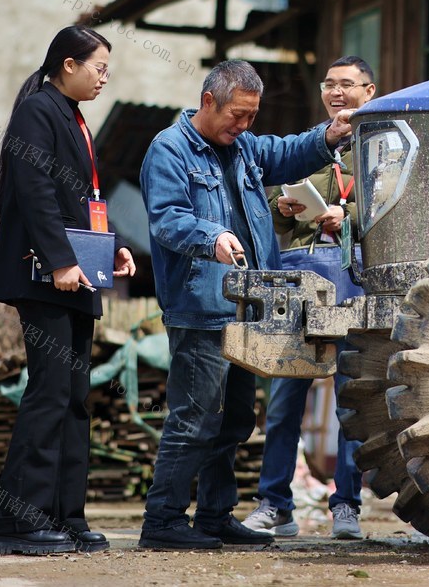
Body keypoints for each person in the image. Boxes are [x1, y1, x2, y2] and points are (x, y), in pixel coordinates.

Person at [138, 59, 353, 550]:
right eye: (237, 114)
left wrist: (330, 135)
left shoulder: (246, 148)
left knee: (234, 420)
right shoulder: (169, 150)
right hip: (202, 306)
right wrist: (211, 236)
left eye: (252, 116)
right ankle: (163, 520)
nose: (244, 125)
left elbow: (288, 151)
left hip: (249, 310)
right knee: (194, 416)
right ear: (208, 101)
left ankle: (214, 516)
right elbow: (167, 218)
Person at [0, 25, 136, 555]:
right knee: (48, 394)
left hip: (76, 276)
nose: (103, 79)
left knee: (75, 399)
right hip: (44, 275)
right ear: (67, 65)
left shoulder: (72, 118)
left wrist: (109, 245)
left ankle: (65, 517)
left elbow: (82, 200)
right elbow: (35, 193)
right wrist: (60, 261)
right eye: (98, 68)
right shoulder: (39, 110)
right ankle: (19, 525)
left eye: (107, 70)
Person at [242, 56, 375, 540]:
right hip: (298, 280)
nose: (336, 93)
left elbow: (399, 208)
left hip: (353, 281)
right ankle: (275, 504)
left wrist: (351, 217)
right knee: (284, 397)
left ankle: (346, 505)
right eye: (329, 85)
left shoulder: (384, 148)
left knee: (350, 401)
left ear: (369, 90)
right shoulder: (309, 146)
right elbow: (278, 218)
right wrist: (282, 207)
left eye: (346, 85)